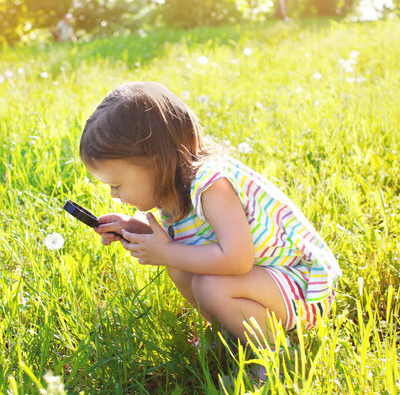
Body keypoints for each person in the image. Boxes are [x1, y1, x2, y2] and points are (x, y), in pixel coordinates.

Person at [78, 81, 341, 375]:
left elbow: (237, 259)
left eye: (117, 184)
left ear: (156, 162)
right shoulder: (172, 191)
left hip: (303, 285)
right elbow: (194, 242)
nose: (115, 194)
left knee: (206, 281)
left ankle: (279, 360)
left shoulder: (211, 185)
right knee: (179, 263)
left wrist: (166, 252)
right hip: (265, 281)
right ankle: (233, 331)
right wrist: (133, 229)